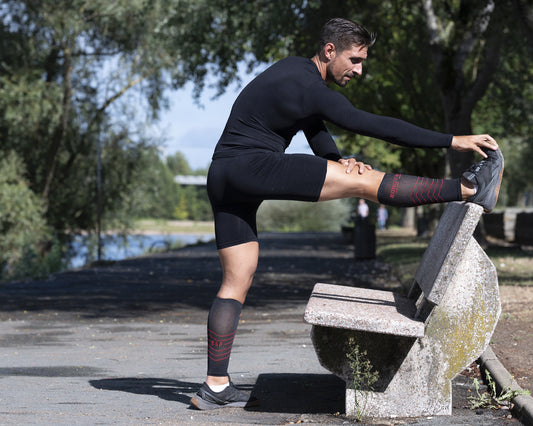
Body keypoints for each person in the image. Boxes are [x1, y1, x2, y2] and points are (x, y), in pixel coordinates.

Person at [190, 17, 504, 410]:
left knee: (236, 280)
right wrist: (452, 140)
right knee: (363, 181)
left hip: (223, 175)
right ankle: (468, 188)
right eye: (354, 60)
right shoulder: (309, 86)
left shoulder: (294, 73)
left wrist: (336, 159)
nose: (359, 70)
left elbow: (312, 126)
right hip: (252, 167)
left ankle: (215, 385)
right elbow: (373, 125)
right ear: (329, 51)